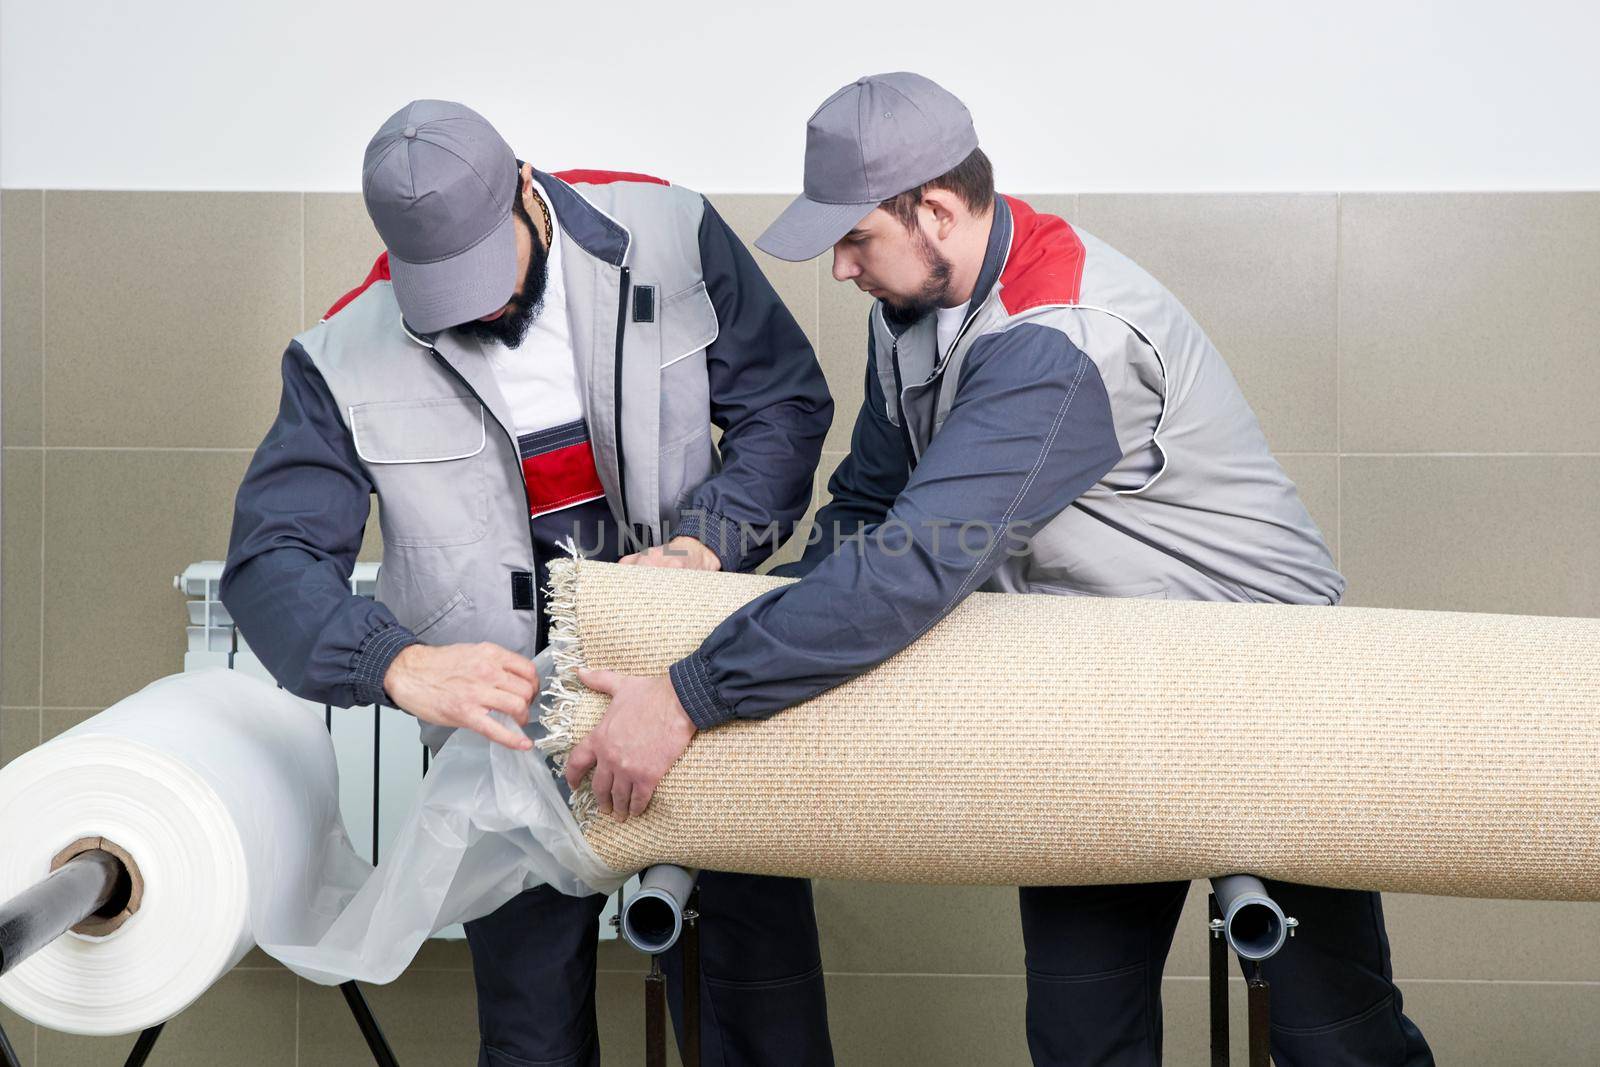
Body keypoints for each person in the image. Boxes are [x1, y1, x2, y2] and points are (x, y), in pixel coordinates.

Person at [572, 74, 1434, 1066]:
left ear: (935, 208)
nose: (844, 269)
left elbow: (911, 566)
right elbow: (864, 508)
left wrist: (691, 691)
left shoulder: (1059, 341)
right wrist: (722, 598)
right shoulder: (912, 312)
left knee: (1338, 1038)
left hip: (1262, 690)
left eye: (855, 240)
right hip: (1104, 690)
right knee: (1080, 1039)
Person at [221, 100, 836, 1067]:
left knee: (758, 1021)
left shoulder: (671, 234)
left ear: (526, 190)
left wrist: (708, 544)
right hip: (508, 738)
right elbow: (271, 562)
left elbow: (785, 406)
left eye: (483, 273)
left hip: (703, 692)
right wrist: (398, 664)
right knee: (531, 1038)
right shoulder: (339, 358)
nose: (471, 310)